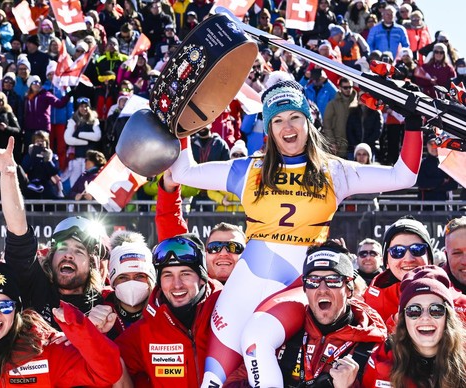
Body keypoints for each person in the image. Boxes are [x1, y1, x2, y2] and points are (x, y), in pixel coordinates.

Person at [168, 71, 423, 386]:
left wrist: (413, 122)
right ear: (269, 129)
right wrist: (183, 119)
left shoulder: (335, 171)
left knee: (257, 341)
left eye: (294, 117)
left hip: (296, 282)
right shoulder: (248, 169)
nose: (287, 127)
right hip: (247, 279)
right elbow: (182, 170)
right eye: (277, 121)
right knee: (211, 380)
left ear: (309, 121)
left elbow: (404, 176)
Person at [0, 138, 110, 329]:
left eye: (78, 251)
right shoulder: (35, 283)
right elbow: (19, 233)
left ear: (92, 263)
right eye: (63, 247)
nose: (68, 254)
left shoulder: (101, 305)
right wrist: (9, 174)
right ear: (51, 256)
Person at [0, 261, 123, 387]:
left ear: (17, 311)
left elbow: (109, 372)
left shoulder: (45, 350)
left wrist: (80, 329)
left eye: (6, 305)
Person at [269, 242, 387, 388]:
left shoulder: (376, 347)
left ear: (349, 289)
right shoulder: (282, 331)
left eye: (333, 280)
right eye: (313, 281)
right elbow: (238, 378)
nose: (322, 289)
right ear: (305, 289)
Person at [115, 234, 221, 387]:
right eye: (167, 275)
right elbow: (103, 369)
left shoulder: (226, 312)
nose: (177, 285)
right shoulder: (144, 331)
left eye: (185, 274)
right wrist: (84, 328)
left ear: (202, 277)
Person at [362, 266, 466, 387]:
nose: (425, 317)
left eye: (436, 310)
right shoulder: (382, 362)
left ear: (448, 317)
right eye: (414, 311)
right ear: (403, 320)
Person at [364, 216, 433, 327]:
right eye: (397, 251)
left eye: (417, 249)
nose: (408, 259)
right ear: (386, 262)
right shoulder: (367, 303)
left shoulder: (454, 299)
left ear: (429, 258)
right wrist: (396, 323)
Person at [103, 235, 156, 339]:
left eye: (140, 276)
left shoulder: (163, 310)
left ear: (150, 279)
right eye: (123, 277)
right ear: (113, 282)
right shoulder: (100, 304)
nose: (131, 282)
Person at [64, 97, 102, 187]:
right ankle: (73, 200)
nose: (84, 109)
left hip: (89, 158)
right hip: (77, 157)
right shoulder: (73, 120)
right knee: (75, 181)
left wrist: (80, 134)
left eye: (86, 106)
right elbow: (68, 139)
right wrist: (85, 142)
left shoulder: (94, 121)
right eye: (81, 106)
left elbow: (97, 136)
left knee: (88, 182)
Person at [323, 77, 357, 158]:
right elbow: (327, 124)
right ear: (340, 88)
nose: (348, 89)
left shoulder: (357, 103)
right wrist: (332, 142)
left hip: (354, 146)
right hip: (338, 146)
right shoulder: (332, 104)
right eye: (345, 87)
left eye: (350, 87)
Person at [416, 136, 457, 201]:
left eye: (436, 144)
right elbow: (421, 183)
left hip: (445, 205)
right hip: (426, 205)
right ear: (427, 145)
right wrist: (442, 181)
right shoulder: (422, 163)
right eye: (431, 144)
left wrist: (432, 188)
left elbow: (454, 185)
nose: (434, 147)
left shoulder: (447, 162)